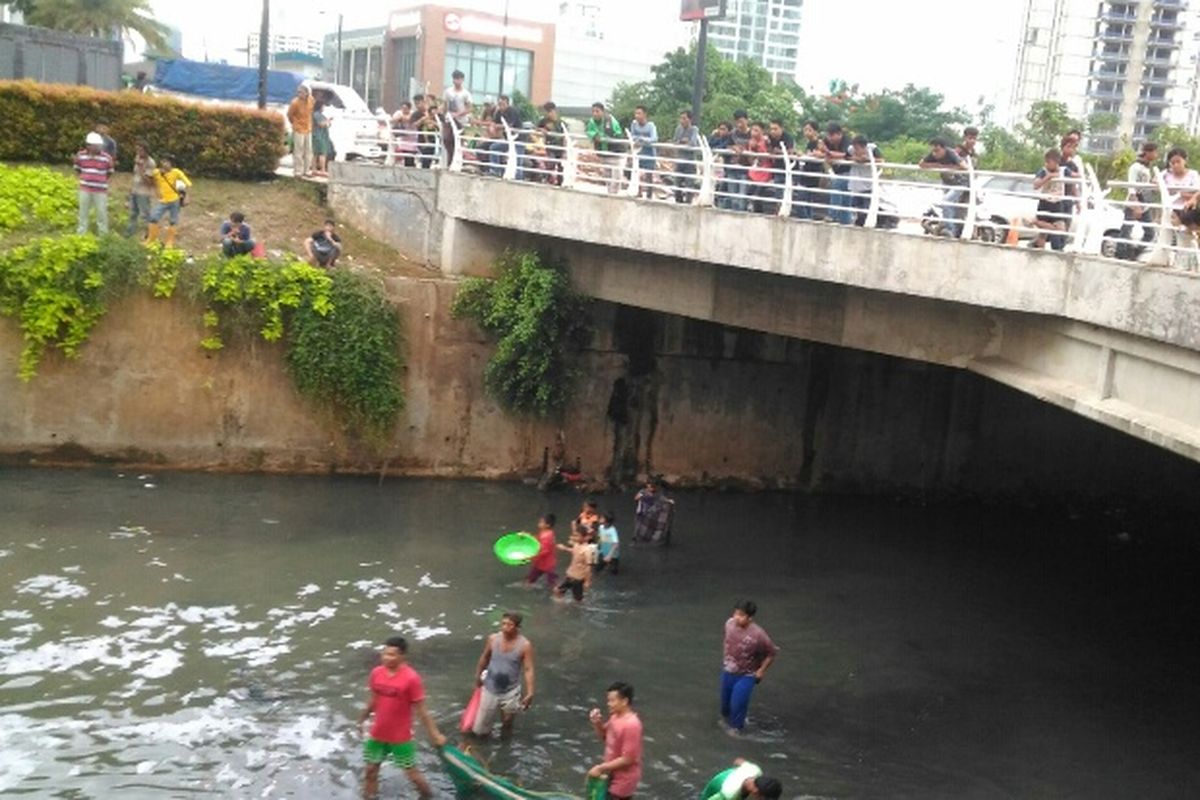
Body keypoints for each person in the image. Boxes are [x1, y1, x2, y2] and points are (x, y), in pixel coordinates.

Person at [357, 635, 447, 800]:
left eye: (392, 655)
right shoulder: (376, 673)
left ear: (402, 656)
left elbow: (422, 711)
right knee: (370, 770)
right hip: (378, 733)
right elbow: (374, 700)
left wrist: (436, 735)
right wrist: (361, 719)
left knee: (412, 774)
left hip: (400, 737)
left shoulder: (411, 679)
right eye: (384, 653)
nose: (386, 657)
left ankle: (427, 797)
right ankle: (369, 797)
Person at [471, 612, 535, 737]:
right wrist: (477, 676)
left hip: (510, 690)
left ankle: (505, 744)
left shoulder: (525, 645)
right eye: (503, 624)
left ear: (517, 627)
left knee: (507, 722)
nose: (505, 627)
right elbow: (484, 658)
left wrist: (530, 692)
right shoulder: (493, 639)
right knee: (479, 730)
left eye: (509, 625)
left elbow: (528, 669)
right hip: (490, 687)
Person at [720, 600, 778, 735]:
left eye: (741, 615)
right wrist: (725, 658)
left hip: (746, 675)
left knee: (738, 704)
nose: (736, 617)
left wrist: (761, 671)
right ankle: (727, 724)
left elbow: (772, 653)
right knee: (725, 708)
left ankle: (736, 731)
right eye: (735, 613)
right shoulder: (729, 624)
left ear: (750, 618)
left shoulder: (758, 634)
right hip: (728, 670)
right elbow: (726, 639)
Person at [587, 682, 643, 800]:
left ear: (624, 701)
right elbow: (605, 737)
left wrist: (601, 768)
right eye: (608, 700)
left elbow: (628, 759)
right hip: (611, 772)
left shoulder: (631, 725)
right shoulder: (615, 717)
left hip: (624, 779)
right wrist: (597, 723)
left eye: (612, 701)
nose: (609, 704)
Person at [919, 137, 968, 238]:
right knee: (949, 206)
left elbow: (964, 166)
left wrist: (948, 167)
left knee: (946, 202)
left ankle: (950, 230)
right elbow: (921, 164)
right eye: (933, 150)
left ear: (943, 148)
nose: (935, 153)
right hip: (947, 183)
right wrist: (936, 165)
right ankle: (951, 228)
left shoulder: (951, 153)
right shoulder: (933, 154)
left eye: (937, 150)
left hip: (960, 183)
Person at [1119, 141, 1159, 260]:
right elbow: (1131, 187)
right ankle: (1120, 254)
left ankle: (1134, 252)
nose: (1156, 155)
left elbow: (1144, 186)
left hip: (1144, 203)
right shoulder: (1135, 167)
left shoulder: (1146, 168)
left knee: (1150, 233)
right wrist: (1136, 205)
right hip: (1134, 203)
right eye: (1155, 152)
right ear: (1148, 152)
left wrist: (1152, 184)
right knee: (1126, 229)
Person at [74, 131, 114, 235]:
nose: (98, 147)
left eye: (99, 145)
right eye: (96, 145)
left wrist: (99, 180)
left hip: (100, 190)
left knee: (101, 213)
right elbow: (78, 168)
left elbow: (109, 172)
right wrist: (86, 178)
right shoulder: (80, 156)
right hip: (85, 189)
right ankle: (81, 234)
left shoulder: (106, 157)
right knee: (83, 212)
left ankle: (103, 235)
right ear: (89, 146)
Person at [145, 154, 190, 247]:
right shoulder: (157, 172)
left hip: (174, 199)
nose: (165, 164)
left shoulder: (176, 172)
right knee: (154, 217)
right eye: (163, 162)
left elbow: (187, 184)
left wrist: (187, 197)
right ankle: (151, 239)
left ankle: (170, 242)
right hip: (163, 200)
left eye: (167, 162)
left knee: (173, 220)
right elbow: (149, 179)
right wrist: (156, 188)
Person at [1032, 148, 1069, 251]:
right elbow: (1036, 185)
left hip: (1057, 203)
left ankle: (1034, 223)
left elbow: (1076, 176)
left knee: (1060, 229)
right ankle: (1039, 248)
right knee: (1043, 233)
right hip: (1045, 202)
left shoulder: (1063, 170)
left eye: (1049, 162)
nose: (1047, 164)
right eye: (1046, 162)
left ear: (1056, 162)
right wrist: (1048, 177)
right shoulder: (1043, 171)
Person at [587, 102, 625, 194]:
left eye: (597, 111)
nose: (595, 113)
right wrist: (595, 136)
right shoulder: (591, 122)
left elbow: (618, 134)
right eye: (593, 111)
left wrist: (607, 138)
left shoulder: (611, 120)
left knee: (616, 177)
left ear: (603, 112)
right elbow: (589, 131)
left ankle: (614, 196)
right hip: (604, 154)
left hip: (616, 154)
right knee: (607, 176)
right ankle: (610, 194)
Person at [699, 758, 783, 800]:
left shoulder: (756, 771)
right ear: (756, 792)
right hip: (716, 788)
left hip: (731, 775)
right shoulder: (728, 795)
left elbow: (738, 761)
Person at [847, 135, 883, 226]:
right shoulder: (850, 149)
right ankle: (857, 224)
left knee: (866, 209)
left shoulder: (872, 149)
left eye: (857, 148)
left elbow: (881, 160)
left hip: (869, 185)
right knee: (856, 208)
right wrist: (855, 158)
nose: (855, 150)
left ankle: (864, 225)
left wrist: (867, 159)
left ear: (864, 147)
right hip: (856, 185)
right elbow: (846, 157)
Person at [820, 123, 853, 224]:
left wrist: (829, 153)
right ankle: (845, 222)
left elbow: (845, 155)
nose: (830, 138)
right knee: (845, 200)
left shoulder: (847, 141)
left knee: (838, 186)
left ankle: (832, 215)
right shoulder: (827, 140)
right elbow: (820, 146)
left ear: (839, 134)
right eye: (828, 136)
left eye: (832, 135)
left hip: (849, 172)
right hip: (838, 172)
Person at [792, 120, 825, 220]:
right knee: (807, 202)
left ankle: (806, 220)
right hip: (806, 173)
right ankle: (808, 219)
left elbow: (822, 154)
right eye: (805, 130)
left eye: (809, 130)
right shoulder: (809, 143)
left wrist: (811, 155)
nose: (806, 132)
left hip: (813, 174)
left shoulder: (819, 142)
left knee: (801, 202)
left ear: (815, 131)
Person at [126, 140, 156, 238]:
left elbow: (149, 181)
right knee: (133, 213)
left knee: (145, 214)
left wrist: (141, 167)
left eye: (141, 150)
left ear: (146, 151)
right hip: (135, 189)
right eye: (137, 150)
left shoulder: (150, 162)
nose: (138, 152)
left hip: (144, 192)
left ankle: (149, 233)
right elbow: (135, 175)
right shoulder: (137, 158)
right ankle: (130, 232)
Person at [671, 110, 702, 204]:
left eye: (684, 118)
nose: (682, 121)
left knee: (689, 185)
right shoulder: (678, 129)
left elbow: (692, 143)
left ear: (690, 119)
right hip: (679, 160)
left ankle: (688, 203)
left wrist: (683, 142)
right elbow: (675, 141)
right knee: (677, 184)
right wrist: (682, 141)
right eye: (681, 118)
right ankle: (678, 202)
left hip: (689, 161)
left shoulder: (694, 129)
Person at [443, 69, 473, 161]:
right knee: (447, 140)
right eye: (455, 79)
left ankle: (457, 161)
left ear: (462, 80)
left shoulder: (466, 93)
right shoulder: (448, 92)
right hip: (450, 120)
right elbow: (445, 105)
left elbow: (470, 108)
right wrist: (445, 116)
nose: (457, 81)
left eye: (459, 79)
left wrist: (458, 114)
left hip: (461, 121)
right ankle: (449, 160)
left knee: (458, 142)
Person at [629, 105, 658, 200]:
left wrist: (642, 139)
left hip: (649, 153)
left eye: (639, 113)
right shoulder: (634, 125)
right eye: (635, 113)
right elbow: (631, 136)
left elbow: (654, 139)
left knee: (648, 175)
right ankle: (639, 191)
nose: (636, 116)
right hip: (638, 153)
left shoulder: (651, 126)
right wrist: (636, 140)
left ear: (645, 114)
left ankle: (649, 195)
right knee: (636, 172)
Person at [555, 528, 592, 602]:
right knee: (557, 590)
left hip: (578, 579)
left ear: (584, 537)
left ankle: (577, 610)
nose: (575, 538)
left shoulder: (587, 550)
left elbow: (588, 567)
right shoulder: (576, 544)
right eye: (574, 535)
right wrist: (564, 548)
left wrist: (587, 581)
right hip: (570, 575)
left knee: (577, 600)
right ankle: (560, 606)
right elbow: (574, 551)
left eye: (577, 536)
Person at [538, 102, 568, 186]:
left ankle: (560, 183)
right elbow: (537, 127)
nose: (548, 114)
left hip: (560, 147)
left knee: (561, 166)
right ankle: (546, 179)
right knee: (551, 162)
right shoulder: (544, 121)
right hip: (550, 146)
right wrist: (541, 130)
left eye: (550, 112)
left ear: (554, 111)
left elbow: (565, 136)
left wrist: (565, 150)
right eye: (547, 112)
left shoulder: (561, 123)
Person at [633, 480, 673, 544]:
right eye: (648, 487)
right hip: (641, 511)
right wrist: (641, 496)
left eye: (651, 487)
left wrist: (668, 501)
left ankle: (647, 538)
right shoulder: (643, 491)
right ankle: (635, 539)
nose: (649, 488)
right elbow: (636, 498)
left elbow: (661, 498)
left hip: (649, 511)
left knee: (649, 524)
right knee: (638, 525)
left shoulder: (655, 493)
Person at [288, 85, 315, 178]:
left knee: (309, 150)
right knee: (298, 150)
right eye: (298, 92)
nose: (300, 94)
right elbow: (290, 115)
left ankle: (307, 170)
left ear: (307, 93)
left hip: (308, 128)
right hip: (298, 128)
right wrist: (295, 124)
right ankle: (298, 171)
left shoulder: (311, 100)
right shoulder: (294, 103)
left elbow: (311, 111)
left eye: (302, 92)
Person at [525, 513, 558, 589]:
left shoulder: (548, 536)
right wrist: (527, 536)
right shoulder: (544, 533)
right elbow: (537, 541)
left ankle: (558, 593)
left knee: (552, 584)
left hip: (547, 564)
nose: (539, 524)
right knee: (530, 579)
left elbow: (544, 551)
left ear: (547, 525)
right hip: (540, 563)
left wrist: (530, 557)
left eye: (541, 522)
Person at [312, 99, 335, 176]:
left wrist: (328, 121)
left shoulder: (318, 114)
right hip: (320, 136)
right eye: (323, 106)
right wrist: (328, 121)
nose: (324, 108)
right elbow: (321, 124)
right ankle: (322, 170)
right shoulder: (317, 114)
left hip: (318, 136)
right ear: (320, 106)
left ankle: (314, 169)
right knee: (322, 153)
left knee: (315, 153)